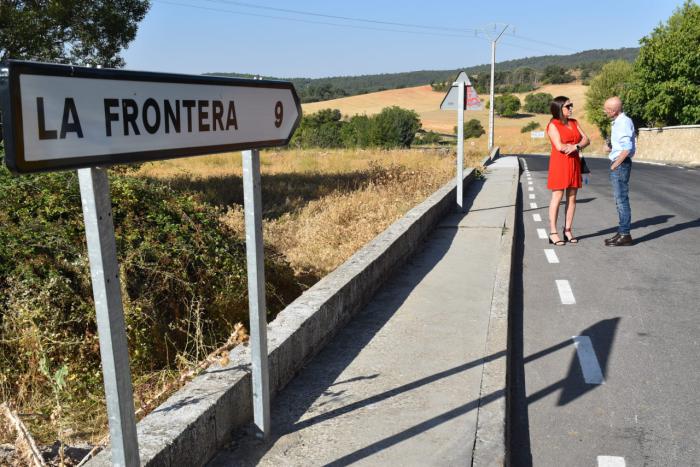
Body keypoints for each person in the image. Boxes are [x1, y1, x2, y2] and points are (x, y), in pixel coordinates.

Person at [545, 96, 590, 245]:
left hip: (574, 162)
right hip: (560, 163)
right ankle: (553, 232)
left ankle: (568, 230)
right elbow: (559, 146)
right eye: (568, 106)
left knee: (572, 198)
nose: (571, 108)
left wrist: (576, 146)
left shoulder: (574, 122)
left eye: (571, 105)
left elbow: (586, 139)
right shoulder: (553, 124)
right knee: (557, 197)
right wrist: (574, 146)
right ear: (559, 108)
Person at [602, 96, 635, 246]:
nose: (604, 111)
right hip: (619, 164)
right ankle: (622, 231)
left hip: (620, 165)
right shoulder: (618, 122)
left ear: (613, 110)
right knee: (619, 200)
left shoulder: (623, 122)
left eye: (606, 109)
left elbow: (627, 148)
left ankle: (625, 235)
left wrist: (615, 164)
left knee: (621, 200)